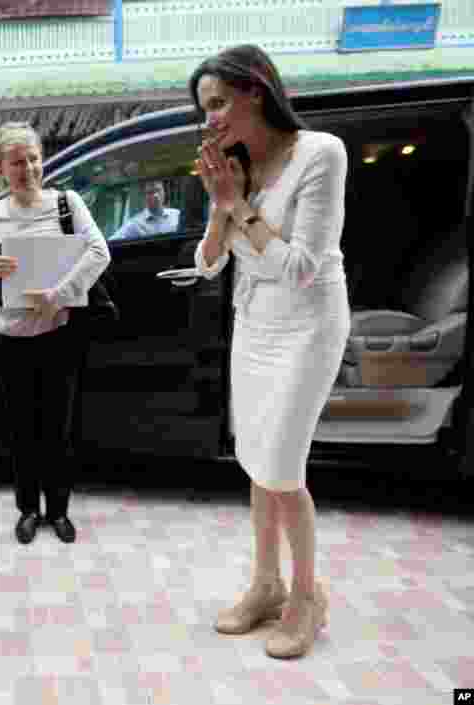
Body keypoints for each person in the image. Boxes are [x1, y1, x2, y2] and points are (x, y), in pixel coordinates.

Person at [190, 44, 349, 659]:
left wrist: (237, 206)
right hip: (254, 325)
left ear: (256, 90)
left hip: (307, 325)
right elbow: (208, 264)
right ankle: (266, 584)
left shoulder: (320, 154)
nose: (212, 118)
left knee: (283, 466)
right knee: (256, 461)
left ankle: (307, 599)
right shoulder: (237, 164)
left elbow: (302, 268)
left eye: (220, 102)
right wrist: (218, 206)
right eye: (205, 108)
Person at [0, 121, 110, 545]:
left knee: (58, 427)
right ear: (1, 167)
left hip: (57, 332)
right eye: (17, 162)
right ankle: (28, 510)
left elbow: (98, 252)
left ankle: (60, 510)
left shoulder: (66, 204)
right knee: (20, 430)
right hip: (9, 336)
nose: (29, 168)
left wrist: (59, 294)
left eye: (34, 158)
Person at [110, 180, 181, 240]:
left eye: (158, 190)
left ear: (164, 192)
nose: (156, 195)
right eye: (150, 192)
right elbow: (112, 242)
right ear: (144, 196)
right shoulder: (135, 224)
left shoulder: (176, 215)